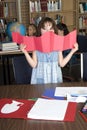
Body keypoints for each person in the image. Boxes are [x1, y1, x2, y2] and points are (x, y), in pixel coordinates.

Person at [20, 17, 78, 84]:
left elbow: (62, 64)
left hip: (55, 78)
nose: (48, 31)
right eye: (45, 29)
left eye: (50, 29)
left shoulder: (57, 43)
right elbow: (34, 65)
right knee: (39, 94)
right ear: (40, 30)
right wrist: (25, 52)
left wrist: (72, 51)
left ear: (54, 30)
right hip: (40, 79)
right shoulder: (36, 43)